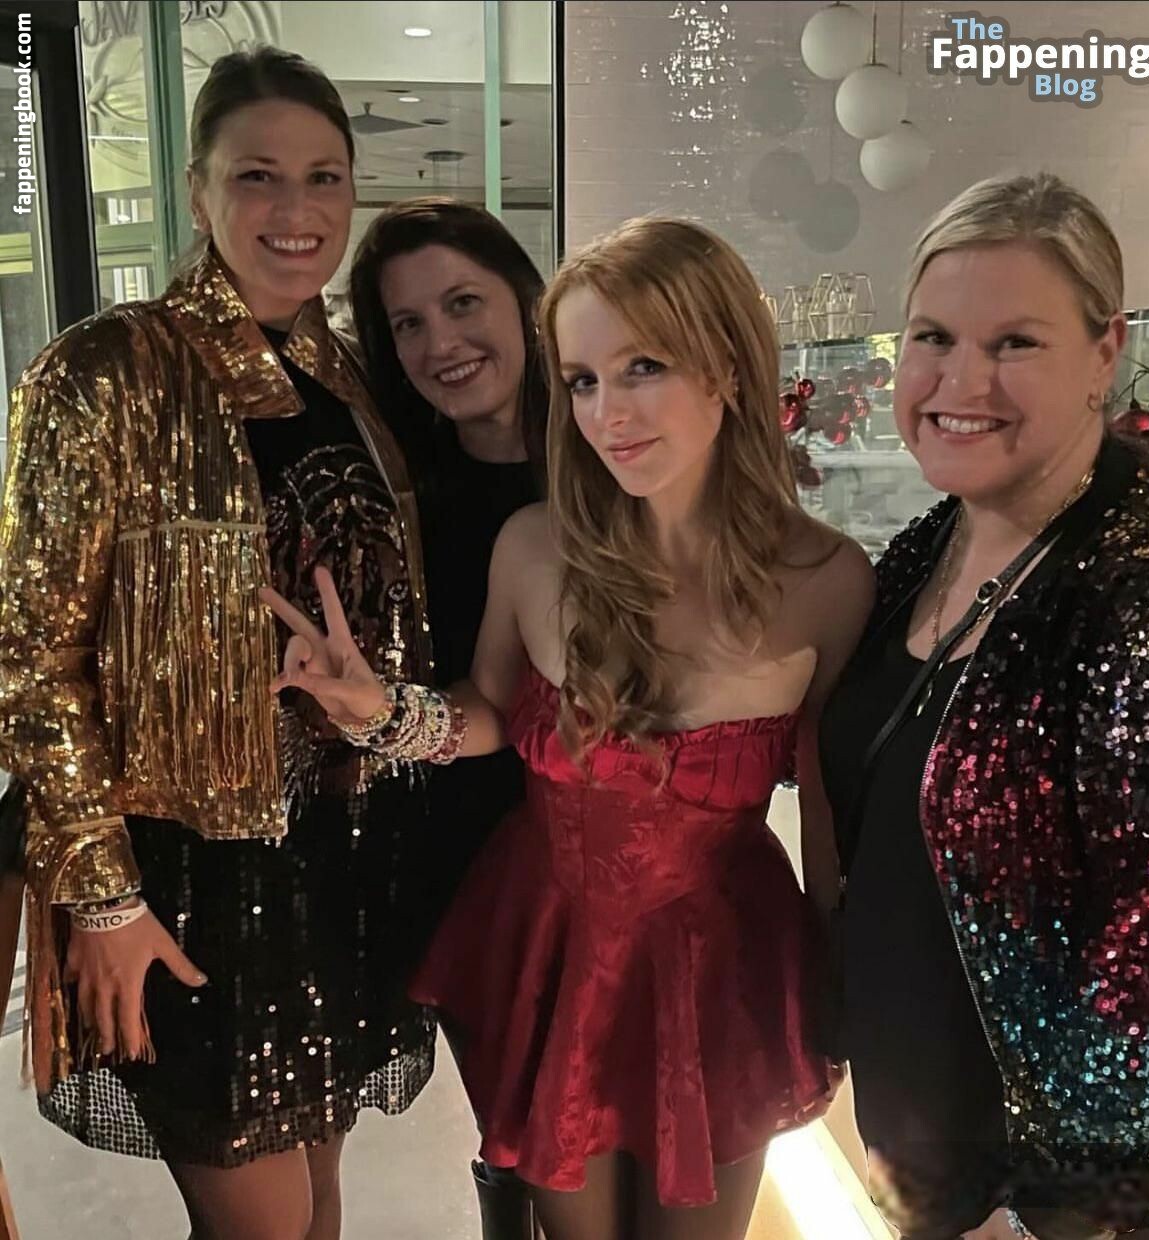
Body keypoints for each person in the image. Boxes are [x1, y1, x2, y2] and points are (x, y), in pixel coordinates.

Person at [262, 216, 874, 1240]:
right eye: (583, 380)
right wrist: (382, 715)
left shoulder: (829, 581)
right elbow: (490, 711)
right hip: (551, 940)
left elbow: (826, 817)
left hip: (723, 960)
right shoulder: (536, 547)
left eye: (643, 368)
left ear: (727, 366)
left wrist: (837, 983)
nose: (607, 412)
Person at [0, 47, 437, 1240]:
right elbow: (32, 658)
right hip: (189, 876)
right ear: (197, 192)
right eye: (257, 175)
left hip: (337, 857)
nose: (297, 209)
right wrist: (103, 899)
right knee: (264, 1222)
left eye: (324, 176)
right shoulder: (108, 369)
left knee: (321, 1202)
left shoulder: (347, 379)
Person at [819, 172, 1149, 1240]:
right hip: (920, 1142)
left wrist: (1056, 1214)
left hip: (1062, 1199)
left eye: (1015, 342)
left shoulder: (1142, 580)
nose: (960, 379)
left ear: (1105, 353)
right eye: (933, 337)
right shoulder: (929, 544)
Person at [349, 198, 547, 1239]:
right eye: (408, 324)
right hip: (463, 853)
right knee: (517, 1131)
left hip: (623, 849)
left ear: (524, 298)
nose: (441, 343)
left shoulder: (620, 455)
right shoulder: (394, 497)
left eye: (463, 303)